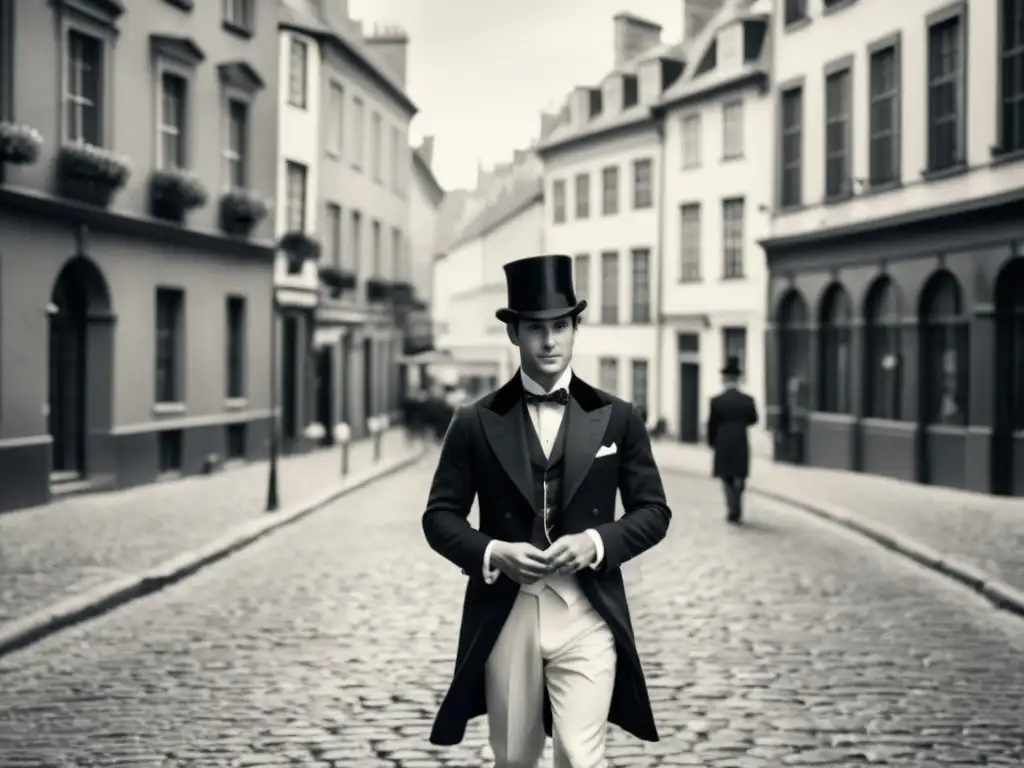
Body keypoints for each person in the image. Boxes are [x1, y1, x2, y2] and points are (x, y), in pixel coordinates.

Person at [422, 254, 672, 767]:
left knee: (582, 757)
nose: (550, 341)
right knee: (515, 758)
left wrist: (598, 542)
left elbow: (653, 511)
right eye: (536, 329)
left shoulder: (618, 418)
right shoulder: (473, 422)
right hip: (507, 615)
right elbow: (439, 517)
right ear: (515, 334)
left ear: (575, 327)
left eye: (560, 326)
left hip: (587, 612)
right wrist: (494, 551)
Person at [707, 355, 759, 524]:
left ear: (724, 379)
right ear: (738, 379)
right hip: (740, 439)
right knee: (740, 476)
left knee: (726, 477)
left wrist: (711, 441)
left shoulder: (717, 401)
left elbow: (712, 423)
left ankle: (732, 508)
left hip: (722, 440)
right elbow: (754, 420)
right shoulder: (747, 400)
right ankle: (737, 506)